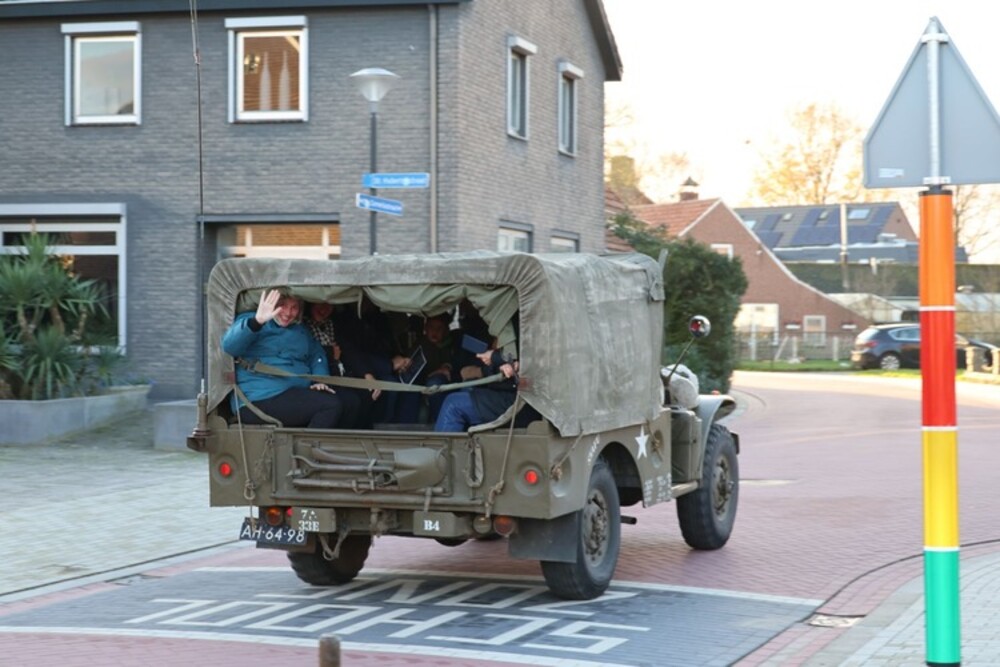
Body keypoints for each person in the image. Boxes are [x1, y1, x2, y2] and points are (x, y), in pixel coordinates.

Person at [222, 289, 347, 429]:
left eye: (294, 307)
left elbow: (316, 354)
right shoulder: (253, 320)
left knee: (349, 402)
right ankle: (307, 444)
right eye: (282, 306)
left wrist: (319, 379)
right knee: (330, 405)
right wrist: (257, 321)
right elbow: (229, 346)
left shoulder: (300, 330)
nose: (288, 313)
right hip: (258, 398)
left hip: (291, 392)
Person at [434, 347, 520, 432]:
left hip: (517, 402)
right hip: (508, 391)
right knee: (467, 388)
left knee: (453, 404)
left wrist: (493, 357)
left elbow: (522, 368)